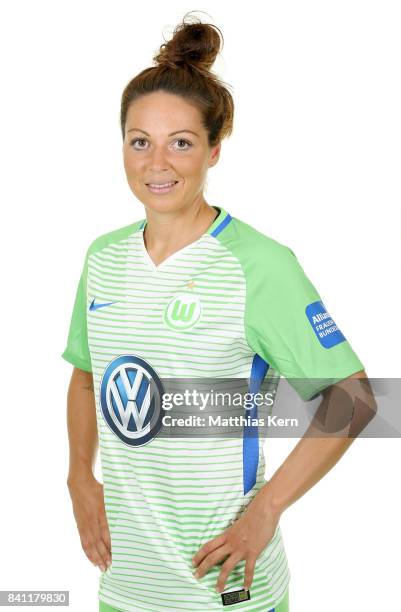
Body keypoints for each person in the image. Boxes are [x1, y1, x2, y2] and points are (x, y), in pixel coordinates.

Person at [62, 13, 375, 612]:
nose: (158, 163)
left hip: (227, 589)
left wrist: (266, 512)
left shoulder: (257, 266)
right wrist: (80, 476)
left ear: (214, 148)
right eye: (139, 141)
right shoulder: (101, 259)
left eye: (181, 142)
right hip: (125, 587)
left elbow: (353, 397)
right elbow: (85, 375)